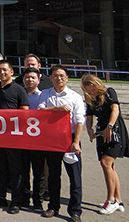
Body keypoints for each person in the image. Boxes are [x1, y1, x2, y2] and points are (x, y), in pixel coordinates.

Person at [38, 66, 85, 222]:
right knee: (53, 175)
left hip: (70, 138)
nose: (59, 78)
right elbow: (40, 112)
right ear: (50, 78)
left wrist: (76, 142)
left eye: (62, 76)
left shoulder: (75, 97)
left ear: (67, 78)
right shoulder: (45, 94)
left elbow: (79, 121)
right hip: (52, 138)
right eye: (55, 76)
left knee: (75, 177)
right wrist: (57, 108)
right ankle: (53, 206)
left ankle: (75, 211)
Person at [81, 74, 129, 216]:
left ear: (98, 85)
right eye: (89, 91)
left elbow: (115, 110)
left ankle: (111, 200)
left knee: (106, 163)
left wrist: (109, 126)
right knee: (110, 167)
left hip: (114, 130)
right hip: (102, 132)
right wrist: (89, 129)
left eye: (93, 90)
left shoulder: (109, 92)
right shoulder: (90, 99)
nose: (92, 93)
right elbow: (89, 116)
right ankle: (119, 200)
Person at [0, 59, 28, 214]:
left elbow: (25, 111)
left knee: (15, 169)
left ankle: (16, 202)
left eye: (5, 70)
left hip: (14, 136)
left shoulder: (19, 89)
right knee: (0, 168)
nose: (2, 72)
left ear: (11, 72)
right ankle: (1, 197)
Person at [22, 67, 46, 211]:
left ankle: (38, 200)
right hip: (22, 138)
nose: (29, 80)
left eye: (33, 77)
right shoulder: (19, 94)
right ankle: (24, 199)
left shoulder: (43, 96)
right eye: (27, 77)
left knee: (39, 172)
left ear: (38, 80)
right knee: (23, 171)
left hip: (39, 140)